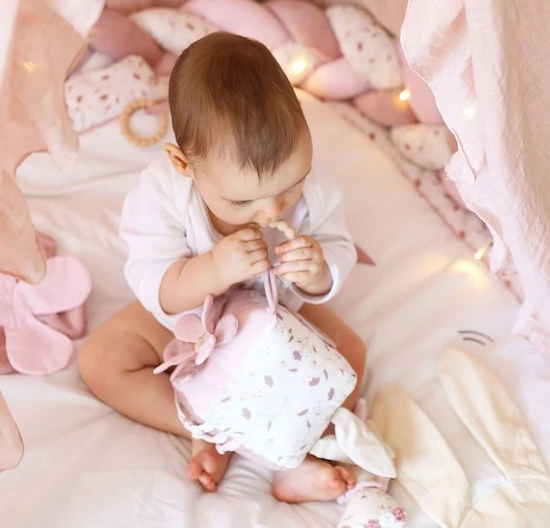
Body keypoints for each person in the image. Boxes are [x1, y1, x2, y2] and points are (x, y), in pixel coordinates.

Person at [78, 32, 366, 504]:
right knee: (102, 361)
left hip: (277, 319)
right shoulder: (163, 194)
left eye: (290, 186)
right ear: (183, 164)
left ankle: (291, 450)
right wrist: (212, 269)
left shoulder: (314, 187)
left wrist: (319, 271)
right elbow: (155, 283)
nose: (272, 210)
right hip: (190, 322)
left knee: (350, 356)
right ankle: (209, 429)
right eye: (241, 201)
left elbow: (337, 245)